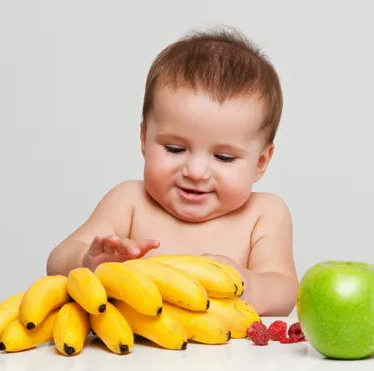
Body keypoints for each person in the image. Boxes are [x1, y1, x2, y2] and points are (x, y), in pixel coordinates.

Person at [46, 26, 298, 317]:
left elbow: (284, 290)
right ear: (144, 140)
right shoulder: (129, 201)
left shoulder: (264, 215)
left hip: (230, 359)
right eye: (175, 149)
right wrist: (88, 261)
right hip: (128, 354)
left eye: (224, 157)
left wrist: (247, 284)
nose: (196, 171)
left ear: (260, 163)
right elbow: (57, 260)